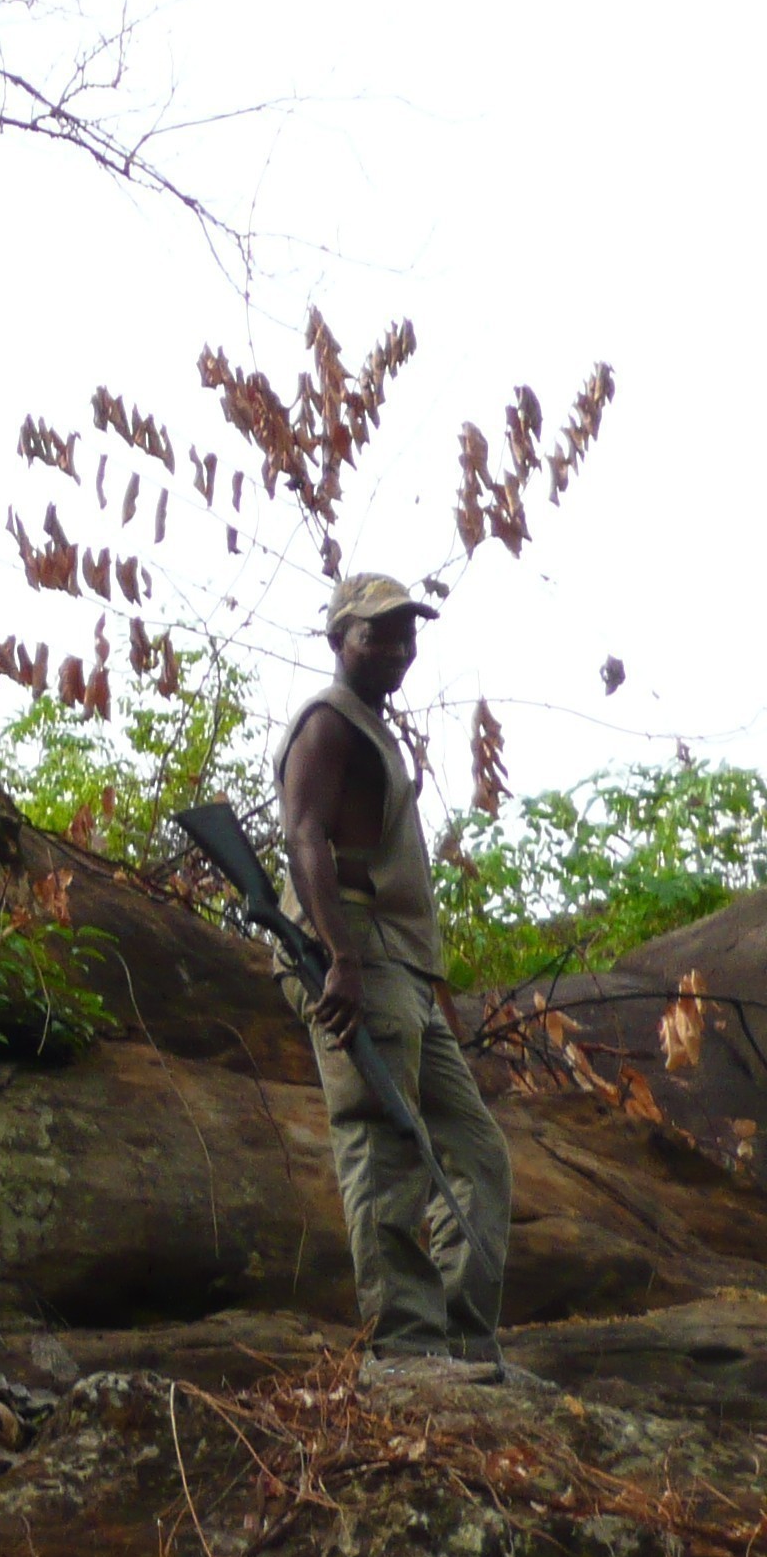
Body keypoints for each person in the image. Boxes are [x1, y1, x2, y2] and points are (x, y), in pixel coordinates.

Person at [277, 573, 522, 1388]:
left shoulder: (374, 728)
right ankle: (405, 1351)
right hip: (357, 958)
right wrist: (339, 959)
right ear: (338, 639)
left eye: (406, 633)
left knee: (477, 1152)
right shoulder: (328, 724)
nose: (396, 648)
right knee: (383, 1145)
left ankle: (460, 1340)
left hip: (403, 969)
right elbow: (304, 836)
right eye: (376, 634)